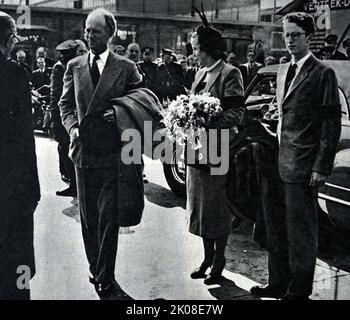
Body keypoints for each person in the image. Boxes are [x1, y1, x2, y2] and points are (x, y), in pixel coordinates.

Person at [251, 12, 341, 300]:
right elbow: (285, 113)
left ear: (308, 37)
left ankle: (298, 291)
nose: (289, 40)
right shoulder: (281, 70)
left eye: (295, 35)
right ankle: (277, 283)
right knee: (276, 227)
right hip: (279, 162)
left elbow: (330, 124)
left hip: (304, 167)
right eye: (286, 35)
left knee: (302, 233)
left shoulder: (323, 73)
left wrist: (321, 166)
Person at [59, 8, 145, 300]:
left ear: (110, 33)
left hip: (114, 153)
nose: (88, 35)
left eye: (94, 31)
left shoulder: (126, 67)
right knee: (88, 219)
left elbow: (139, 103)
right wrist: (71, 128)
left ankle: (105, 276)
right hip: (83, 152)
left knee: (109, 217)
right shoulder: (74, 65)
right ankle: (96, 267)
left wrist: (117, 113)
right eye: (86, 30)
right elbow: (65, 105)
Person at [188, 7, 245, 285]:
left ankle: (219, 259)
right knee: (200, 207)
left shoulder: (229, 73)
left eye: (197, 47)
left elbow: (236, 113)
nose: (194, 52)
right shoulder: (199, 74)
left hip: (218, 149)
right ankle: (206, 257)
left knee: (217, 207)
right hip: (196, 149)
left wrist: (208, 119)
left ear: (208, 47)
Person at [0, 11, 40, 299]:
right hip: (11, 186)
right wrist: (32, 189)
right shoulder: (14, 74)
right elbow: (25, 138)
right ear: (9, 40)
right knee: (14, 265)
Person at [50, 39, 87, 197]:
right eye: (80, 52)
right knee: (65, 147)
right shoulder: (60, 68)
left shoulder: (80, 66)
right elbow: (56, 96)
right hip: (63, 116)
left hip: (76, 116)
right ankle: (74, 183)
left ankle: (76, 184)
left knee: (71, 149)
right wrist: (54, 119)